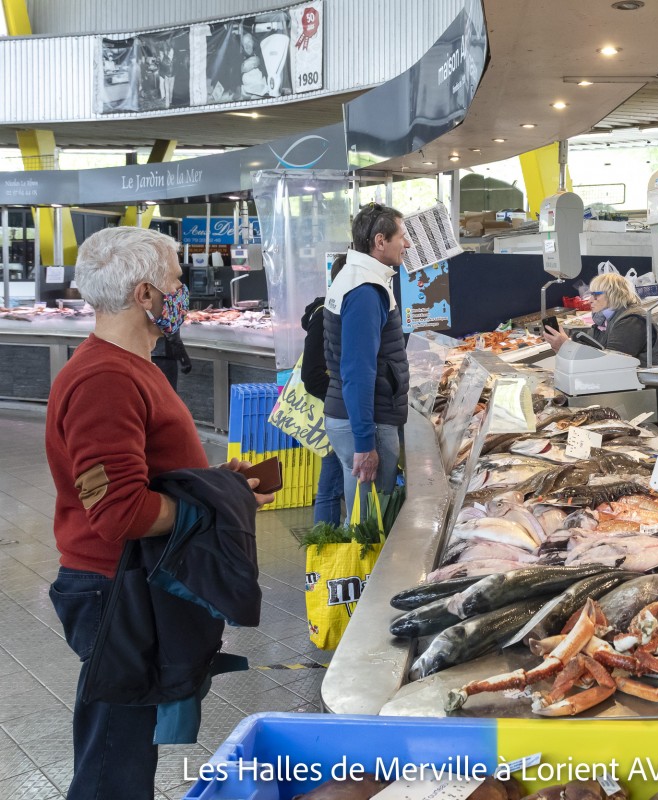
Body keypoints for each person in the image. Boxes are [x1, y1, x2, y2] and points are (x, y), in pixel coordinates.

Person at [44, 226, 272, 800]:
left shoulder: (130, 365)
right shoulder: (103, 379)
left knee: (124, 745)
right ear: (146, 295)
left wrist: (220, 486)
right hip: (113, 592)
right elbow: (120, 513)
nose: (183, 291)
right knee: (114, 762)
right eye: (176, 280)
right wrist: (218, 509)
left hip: (128, 586)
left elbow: (143, 474)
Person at [324, 203, 410, 521]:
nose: (408, 244)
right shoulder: (364, 290)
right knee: (369, 524)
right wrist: (364, 442)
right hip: (367, 421)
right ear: (379, 241)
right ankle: (369, 573)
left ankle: (363, 571)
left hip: (358, 416)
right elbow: (358, 371)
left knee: (361, 517)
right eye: (403, 236)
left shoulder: (358, 277)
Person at [541, 271, 658, 423]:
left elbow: (612, 363)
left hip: (657, 403)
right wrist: (564, 349)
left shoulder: (631, 321)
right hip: (637, 398)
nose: (590, 300)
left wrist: (565, 345)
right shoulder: (604, 322)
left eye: (595, 294)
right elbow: (592, 354)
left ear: (613, 294)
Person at [302, 285, 344, 526]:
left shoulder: (332, 310)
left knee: (332, 482)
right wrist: (343, 399)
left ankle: (325, 550)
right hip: (334, 410)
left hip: (334, 408)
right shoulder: (325, 313)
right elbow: (312, 375)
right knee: (331, 485)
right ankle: (324, 553)